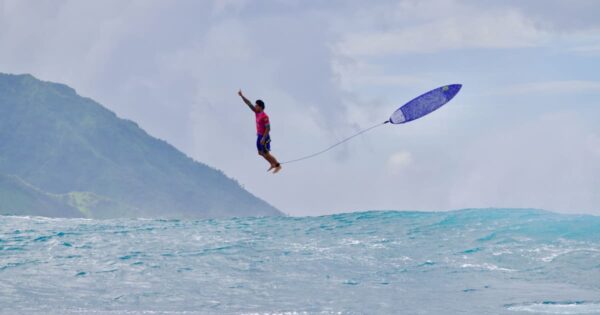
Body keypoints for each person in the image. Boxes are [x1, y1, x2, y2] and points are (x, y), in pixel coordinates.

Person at [238, 90, 282, 173]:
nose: (255, 106)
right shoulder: (256, 112)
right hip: (259, 135)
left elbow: (268, 128)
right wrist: (241, 96)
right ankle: (272, 164)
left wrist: (264, 138)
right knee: (260, 152)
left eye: (256, 105)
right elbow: (248, 103)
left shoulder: (265, 116)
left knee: (266, 153)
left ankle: (278, 165)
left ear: (260, 107)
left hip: (264, 136)